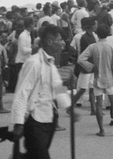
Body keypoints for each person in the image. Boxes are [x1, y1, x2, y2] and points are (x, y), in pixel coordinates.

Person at [10, 24, 73, 159]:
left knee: (35, 154)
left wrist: (69, 107)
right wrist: (18, 122)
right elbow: (22, 93)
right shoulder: (34, 63)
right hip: (35, 119)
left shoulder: (50, 63)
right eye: (60, 39)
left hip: (49, 118)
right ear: (50, 41)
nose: (63, 43)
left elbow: (58, 86)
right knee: (41, 156)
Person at [78, 24, 113, 137]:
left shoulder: (93, 47)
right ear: (108, 33)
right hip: (110, 79)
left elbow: (80, 59)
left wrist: (91, 66)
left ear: (97, 34)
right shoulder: (112, 47)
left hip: (98, 78)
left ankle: (102, 130)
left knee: (98, 105)